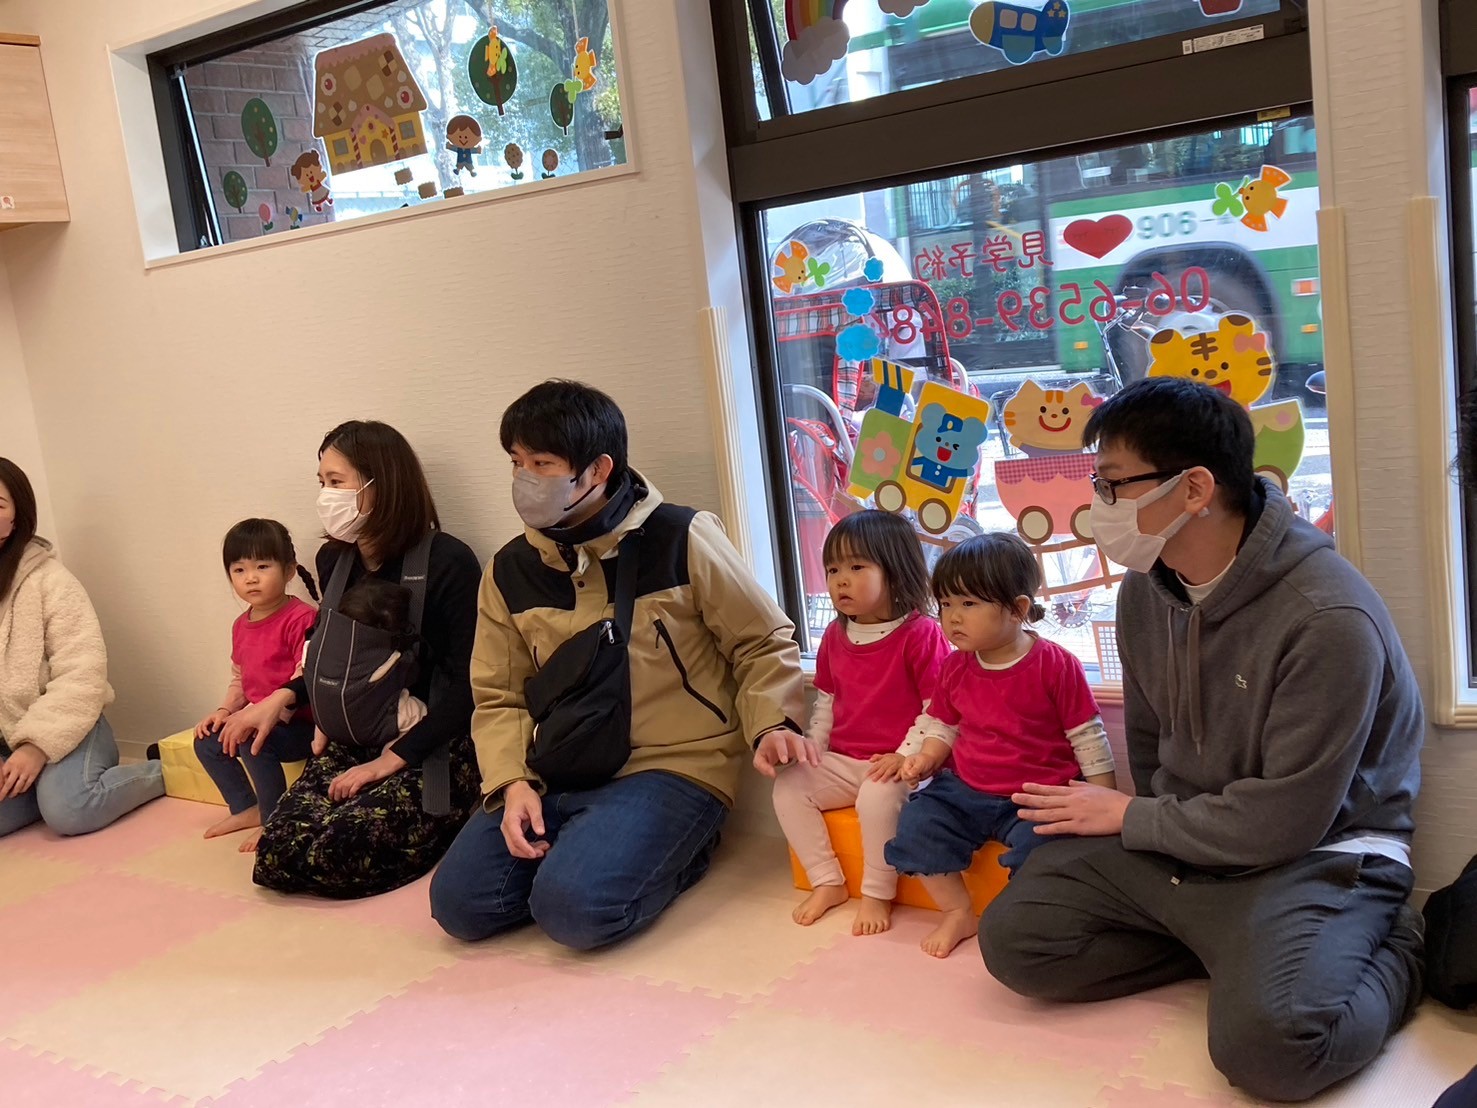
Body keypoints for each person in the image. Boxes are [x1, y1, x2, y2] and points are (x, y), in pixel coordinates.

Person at [979, 377, 1425, 1103]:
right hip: (1192, 846)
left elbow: (1288, 820)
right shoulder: (1144, 592)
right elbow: (1149, 748)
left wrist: (1131, 817)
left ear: (1193, 489)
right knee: (1016, 941)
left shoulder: (1326, 617)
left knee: (1273, 1053)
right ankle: (1236, 950)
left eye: (1112, 484)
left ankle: (1387, 949)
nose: (1099, 503)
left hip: (1317, 853)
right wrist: (1151, 824)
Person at [430, 380, 807, 950]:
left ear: (598, 469)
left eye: (542, 463)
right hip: (562, 761)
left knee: (574, 914)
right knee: (460, 906)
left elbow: (762, 640)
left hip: (673, 764)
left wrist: (773, 721)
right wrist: (511, 783)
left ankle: (671, 851)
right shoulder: (508, 569)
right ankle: (592, 850)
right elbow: (498, 694)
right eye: (516, 462)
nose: (524, 478)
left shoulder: (682, 536)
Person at [219, 422, 482, 898]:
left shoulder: (448, 561)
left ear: (382, 483)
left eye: (336, 482)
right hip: (355, 731)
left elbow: (469, 686)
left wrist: (390, 761)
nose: (325, 494)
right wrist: (283, 696)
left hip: (428, 741)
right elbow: (332, 656)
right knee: (278, 851)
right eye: (321, 482)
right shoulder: (333, 561)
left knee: (341, 852)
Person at [884, 533, 1112, 958]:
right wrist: (926, 757)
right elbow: (943, 724)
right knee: (917, 824)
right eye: (945, 604)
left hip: (1037, 794)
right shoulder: (954, 666)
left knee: (1048, 850)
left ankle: (1019, 914)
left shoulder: (1055, 665)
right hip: (966, 790)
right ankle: (957, 911)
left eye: (969, 603)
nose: (953, 617)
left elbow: (1087, 735)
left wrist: (1103, 796)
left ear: (1018, 609)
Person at [770, 510, 950, 936]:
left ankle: (876, 893)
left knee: (876, 798)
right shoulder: (835, 636)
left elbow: (938, 711)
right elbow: (826, 704)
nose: (840, 581)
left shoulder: (921, 634)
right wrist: (813, 749)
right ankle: (827, 881)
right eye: (833, 570)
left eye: (856, 568)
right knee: (789, 786)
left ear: (894, 571)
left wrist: (904, 756)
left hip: (906, 764)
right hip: (847, 760)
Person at [0, 458, 164, 837]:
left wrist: (36, 747)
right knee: (52, 801)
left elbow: (82, 674)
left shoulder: (51, 582)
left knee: (70, 811)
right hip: (6, 739)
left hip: (68, 726)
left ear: (17, 515)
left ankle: (165, 771)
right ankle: (44, 788)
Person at [194, 519, 319, 852]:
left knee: (252, 740)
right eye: (239, 569)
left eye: (262, 566)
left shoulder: (302, 618)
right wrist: (225, 711)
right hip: (257, 719)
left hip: (299, 727)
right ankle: (245, 807)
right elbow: (240, 677)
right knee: (207, 741)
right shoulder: (240, 625)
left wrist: (258, 718)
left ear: (289, 570)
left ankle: (273, 820)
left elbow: (305, 678)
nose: (250, 577)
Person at [308, 578, 428, 756]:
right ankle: (390, 752)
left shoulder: (317, 643)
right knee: (419, 713)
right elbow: (409, 673)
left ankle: (318, 742)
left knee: (325, 695)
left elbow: (305, 664)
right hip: (366, 729)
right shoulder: (385, 657)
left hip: (325, 719)